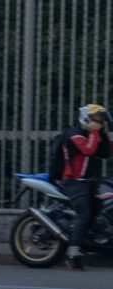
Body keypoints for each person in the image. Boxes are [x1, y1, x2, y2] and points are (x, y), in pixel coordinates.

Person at [49, 103, 110, 270]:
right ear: (86, 119)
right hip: (74, 182)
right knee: (84, 213)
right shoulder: (74, 134)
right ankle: (73, 253)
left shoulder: (92, 134)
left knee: (99, 210)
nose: (100, 123)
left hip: (89, 181)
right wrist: (96, 132)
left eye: (102, 120)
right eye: (97, 120)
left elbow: (104, 153)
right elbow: (89, 150)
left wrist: (102, 135)